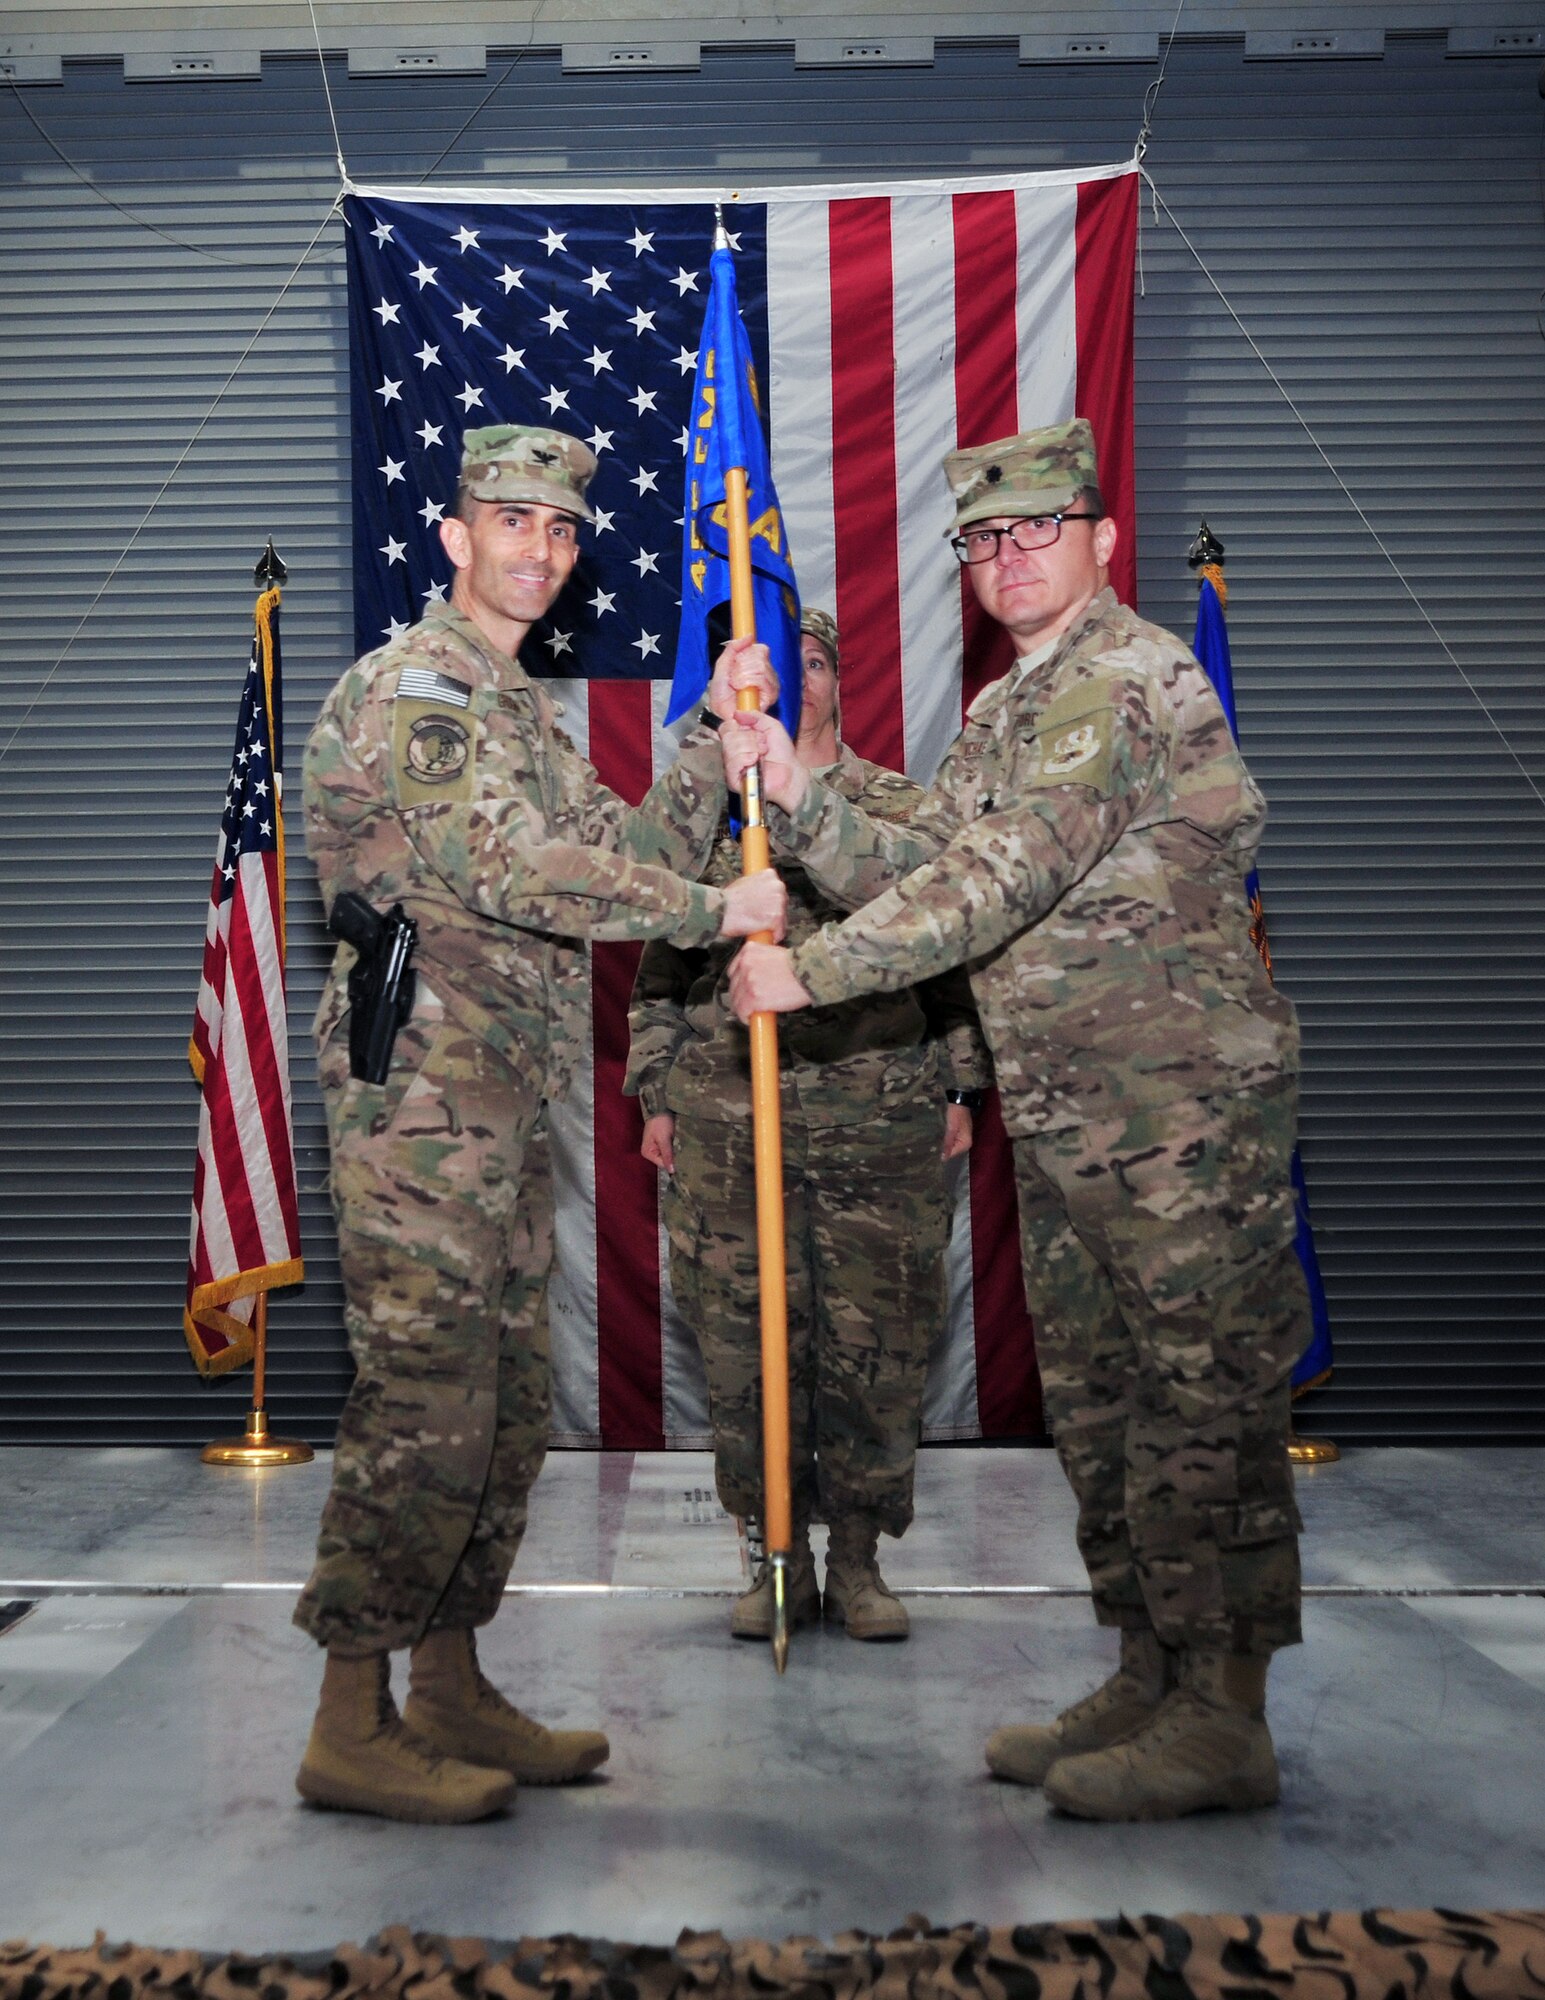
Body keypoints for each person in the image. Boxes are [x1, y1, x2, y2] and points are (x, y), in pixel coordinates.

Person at [722, 419, 1309, 1822]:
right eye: (982, 539)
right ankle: (1145, 1666)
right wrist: (794, 789)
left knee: (1196, 1396)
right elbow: (927, 856)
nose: (1008, 556)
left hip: (1171, 1106)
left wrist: (811, 972)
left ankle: (1224, 1711)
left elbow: (1002, 874)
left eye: (1037, 527)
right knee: (1105, 1403)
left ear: (1103, 538)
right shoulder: (1006, 709)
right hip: (1065, 1106)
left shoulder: (1122, 680)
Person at [295, 423, 786, 1824]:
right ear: (455, 538)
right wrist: (716, 916)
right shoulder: (421, 686)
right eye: (512, 521)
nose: (540, 548)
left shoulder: (516, 708)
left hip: (503, 1104)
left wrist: (714, 735)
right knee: (423, 1400)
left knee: (501, 1408)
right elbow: (502, 865)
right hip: (425, 1108)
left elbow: (619, 850)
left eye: (562, 530)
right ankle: (349, 1719)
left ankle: (448, 1690)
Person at [625, 608, 991, 1642]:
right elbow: (658, 958)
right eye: (781, 661)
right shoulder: (708, 810)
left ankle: (862, 1558)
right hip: (729, 1120)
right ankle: (769, 1551)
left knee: (878, 1345)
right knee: (745, 1349)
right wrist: (654, 1088)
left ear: (839, 679)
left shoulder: (897, 804)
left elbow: (945, 942)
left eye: (817, 659)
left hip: (877, 1115)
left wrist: (963, 1084)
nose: (799, 676)